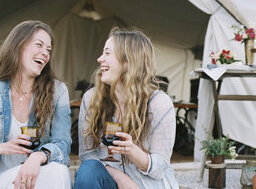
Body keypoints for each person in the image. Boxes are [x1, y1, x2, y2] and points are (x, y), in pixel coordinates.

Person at [74, 28, 178, 189]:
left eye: (107, 53)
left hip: (148, 185)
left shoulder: (159, 103)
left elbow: (160, 167)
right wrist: (120, 177)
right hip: (111, 183)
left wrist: (133, 152)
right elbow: (87, 154)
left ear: (128, 61)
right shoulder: (91, 99)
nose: (100, 59)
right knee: (88, 171)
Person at [0, 21, 72, 189]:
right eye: (39, 45)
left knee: (58, 171)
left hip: (34, 178)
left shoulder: (57, 90)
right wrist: (3, 147)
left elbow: (63, 143)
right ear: (18, 46)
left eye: (48, 50)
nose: (45, 53)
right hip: (3, 179)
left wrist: (38, 156)